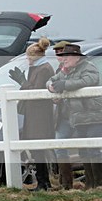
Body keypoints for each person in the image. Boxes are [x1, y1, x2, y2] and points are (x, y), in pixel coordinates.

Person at [47, 43, 102, 189]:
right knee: (83, 150)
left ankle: (98, 183)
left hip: (93, 115)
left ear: (76, 57)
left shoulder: (88, 67)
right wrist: (51, 86)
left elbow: (87, 81)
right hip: (78, 117)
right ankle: (90, 183)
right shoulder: (66, 70)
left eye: (67, 56)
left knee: (93, 149)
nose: (63, 60)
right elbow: (51, 80)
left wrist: (64, 84)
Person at [9, 37, 55, 191]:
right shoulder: (38, 68)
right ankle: (43, 182)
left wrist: (22, 81)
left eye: (29, 57)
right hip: (35, 114)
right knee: (37, 150)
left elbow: (35, 91)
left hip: (40, 115)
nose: (27, 60)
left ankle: (44, 183)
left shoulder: (43, 69)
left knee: (39, 149)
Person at [50, 41, 76, 189]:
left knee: (88, 147)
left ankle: (94, 182)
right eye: (57, 53)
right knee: (59, 146)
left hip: (78, 113)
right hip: (63, 114)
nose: (59, 56)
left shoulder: (77, 68)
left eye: (62, 53)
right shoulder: (58, 70)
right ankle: (66, 183)